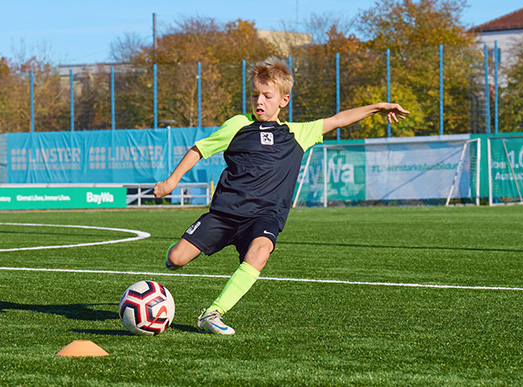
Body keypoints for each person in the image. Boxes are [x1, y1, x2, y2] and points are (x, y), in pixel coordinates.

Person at [154, 57, 409, 335]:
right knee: (176, 259)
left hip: (264, 216)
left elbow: (338, 119)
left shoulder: (297, 133)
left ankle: (213, 313)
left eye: (266, 95)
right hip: (225, 214)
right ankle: (173, 266)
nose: (259, 101)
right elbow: (199, 149)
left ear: (283, 100)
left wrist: (379, 107)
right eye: (254, 95)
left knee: (261, 251)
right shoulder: (238, 124)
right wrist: (170, 182)